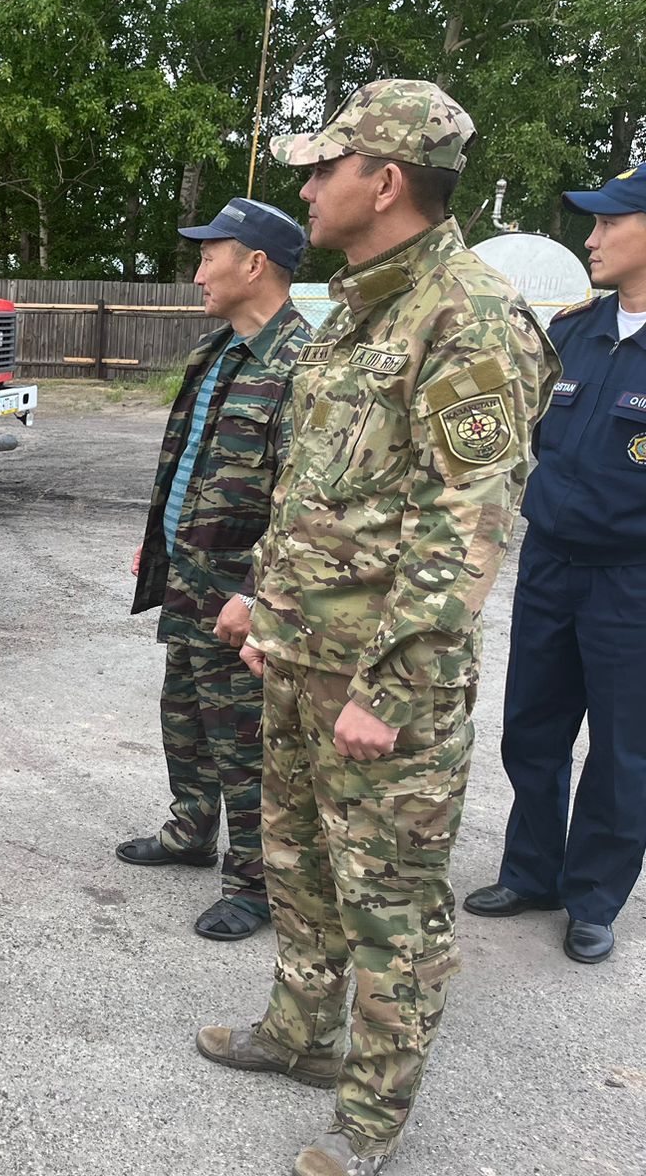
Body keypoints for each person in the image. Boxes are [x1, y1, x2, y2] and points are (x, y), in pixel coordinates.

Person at [194, 79, 559, 1176]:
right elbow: (319, 494)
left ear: (383, 179)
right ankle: (300, 1034)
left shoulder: (469, 318)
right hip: (303, 656)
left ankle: (370, 1122)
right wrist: (267, 602)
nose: (306, 188)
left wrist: (388, 693)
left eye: (323, 168)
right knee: (298, 868)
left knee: (391, 909)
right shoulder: (356, 306)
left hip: (377, 688)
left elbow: (467, 531)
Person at [464, 165, 646, 964]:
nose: (591, 238)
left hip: (631, 581)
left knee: (622, 745)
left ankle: (594, 895)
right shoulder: (571, 330)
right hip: (549, 564)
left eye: (609, 223)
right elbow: (507, 427)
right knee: (532, 727)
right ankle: (532, 870)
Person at [122, 197, 309, 941]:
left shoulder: (304, 365)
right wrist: (160, 543)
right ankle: (191, 831)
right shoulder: (215, 350)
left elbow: (304, 502)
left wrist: (260, 597)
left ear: (255, 264)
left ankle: (254, 884)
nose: (198, 270)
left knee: (247, 741)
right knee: (187, 720)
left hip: (239, 594)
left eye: (210, 255)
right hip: (188, 578)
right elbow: (188, 464)